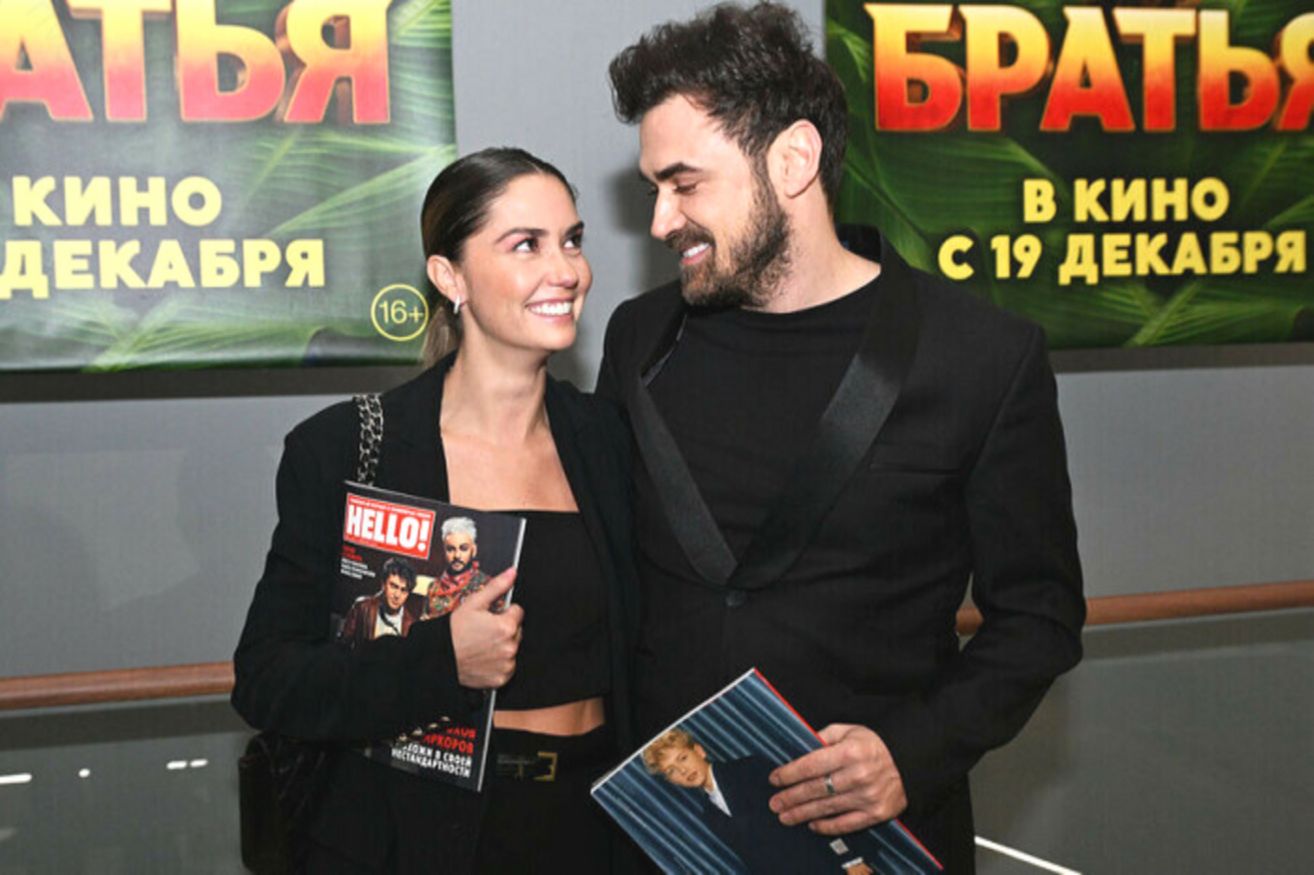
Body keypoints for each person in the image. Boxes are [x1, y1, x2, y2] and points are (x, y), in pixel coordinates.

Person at [599, 4, 1085, 870]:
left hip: (872, 842)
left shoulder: (980, 356)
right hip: (666, 834)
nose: (661, 221)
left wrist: (913, 751)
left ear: (793, 160)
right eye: (653, 190)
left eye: (685, 183)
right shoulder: (640, 339)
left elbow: (1039, 618)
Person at [233, 147, 638, 873]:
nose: (566, 271)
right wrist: (442, 659)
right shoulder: (347, 448)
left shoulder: (609, 440)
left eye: (572, 240)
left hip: (593, 827)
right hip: (422, 831)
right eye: (526, 245)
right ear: (450, 277)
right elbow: (268, 679)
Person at [644, 728, 875, 874]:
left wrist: (850, 859)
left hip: (833, 867)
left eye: (683, 758)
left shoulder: (749, 769)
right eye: (671, 770)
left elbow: (814, 807)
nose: (683, 771)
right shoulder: (708, 814)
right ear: (671, 781)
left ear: (699, 751)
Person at [339, 557, 421, 648]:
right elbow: (342, 646)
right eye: (394, 586)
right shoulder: (362, 607)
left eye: (403, 590)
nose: (397, 595)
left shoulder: (411, 625)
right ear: (383, 584)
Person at [425, 517, 491, 617]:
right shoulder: (434, 587)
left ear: (474, 550)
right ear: (444, 551)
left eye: (463, 548)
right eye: (450, 549)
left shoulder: (487, 585)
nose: (457, 555)